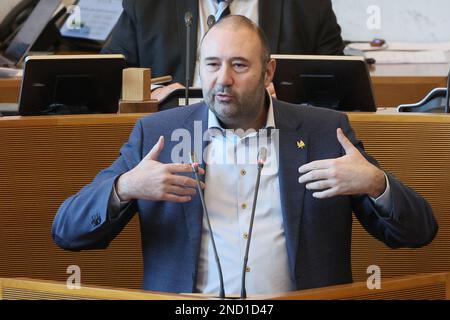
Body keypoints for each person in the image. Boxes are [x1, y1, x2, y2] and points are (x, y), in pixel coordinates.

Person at [53, 16, 437, 295]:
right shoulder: (158, 136)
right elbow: (68, 233)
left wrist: (376, 183)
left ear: (269, 71)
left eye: (239, 65)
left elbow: (419, 233)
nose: (224, 79)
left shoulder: (325, 133)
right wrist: (125, 187)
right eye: (212, 65)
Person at [101, 0, 345, 99]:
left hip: (275, 137)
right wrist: (157, 93)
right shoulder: (148, 4)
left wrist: (285, 95)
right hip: (177, 137)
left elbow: (338, 88)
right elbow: (107, 76)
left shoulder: (308, 6)